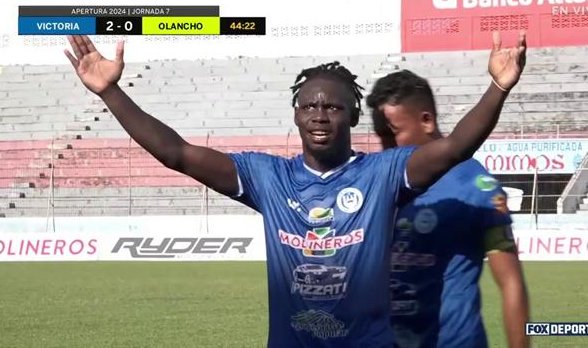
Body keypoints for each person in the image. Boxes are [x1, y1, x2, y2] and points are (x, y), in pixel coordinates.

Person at [63, 31, 526, 347]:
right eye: (309, 106)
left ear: (352, 115)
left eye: (334, 107)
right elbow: (177, 154)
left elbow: (455, 148)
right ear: (296, 114)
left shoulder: (383, 174)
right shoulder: (267, 177)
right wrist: (110, 93)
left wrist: (497, 88)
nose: (320, 115)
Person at [367, 69, 530, 348]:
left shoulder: (477, 188)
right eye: (380, 136)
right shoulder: (377, 182)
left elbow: (511, 284)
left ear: (427, 121)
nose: (386, 146)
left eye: (393, 134)